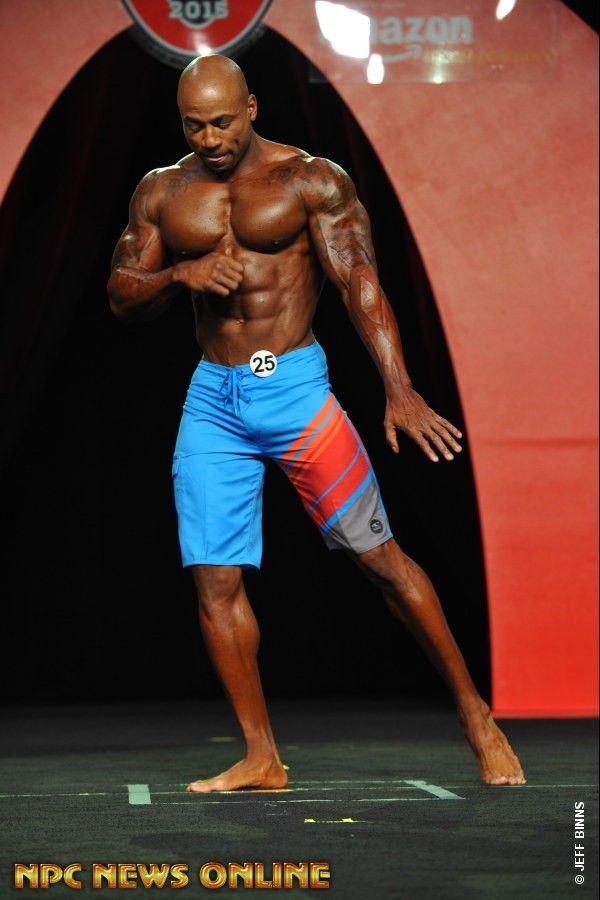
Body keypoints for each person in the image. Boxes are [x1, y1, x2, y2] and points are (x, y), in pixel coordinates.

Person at [108, 54, 525, 790]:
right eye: (195, 126)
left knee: (380, 560)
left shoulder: (311, 180)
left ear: (252, 107)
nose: (210, 139)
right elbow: (121, 294)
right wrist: (179, 274)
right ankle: (260, 756)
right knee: (213, 581)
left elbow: (359, 278)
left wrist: (397, 386)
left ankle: (475, 714)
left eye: (223, 122)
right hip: (214, 399)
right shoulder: (163, 191)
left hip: (293, 391)